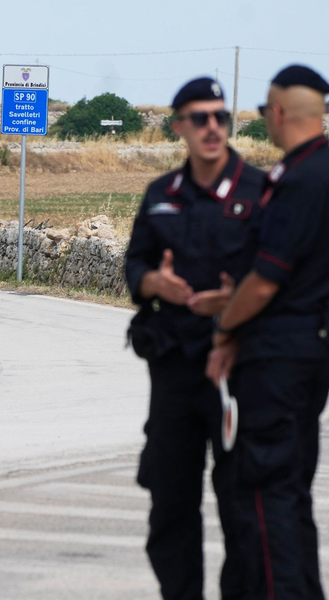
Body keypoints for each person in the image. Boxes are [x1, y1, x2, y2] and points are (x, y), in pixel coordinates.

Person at [125, 77, 266, 599]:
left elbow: (281, 274)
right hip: (176, 369)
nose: (213, 127)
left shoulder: (259, 191)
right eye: (200, 118)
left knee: (243, 510)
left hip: (240, 370)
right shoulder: (161, 196)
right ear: (179, 125)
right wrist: (154, 283)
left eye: (220, 117)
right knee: (170, 506)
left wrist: (235, 303)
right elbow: (134, 266)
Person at [207, 64, 329, 599]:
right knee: (292, 494)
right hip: (311, 352)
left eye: (263, 111)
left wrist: (224, 328)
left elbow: (266, 281)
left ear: (278, 114)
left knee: (268, 495)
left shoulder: (299, 179)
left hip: (278, 359)